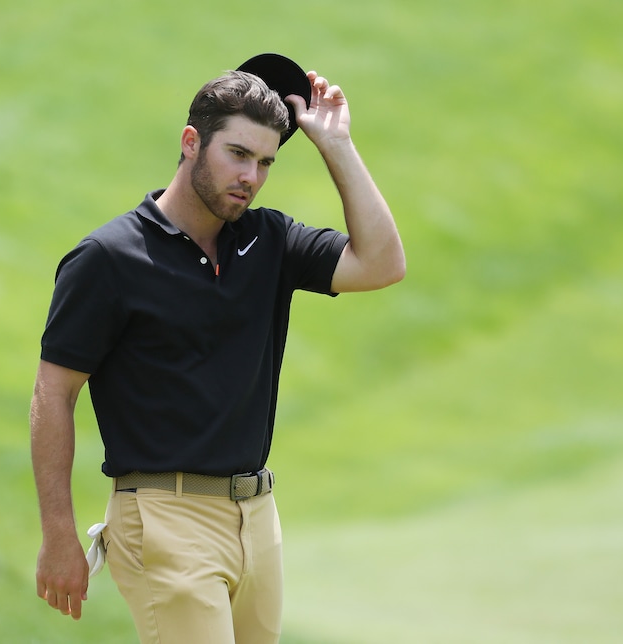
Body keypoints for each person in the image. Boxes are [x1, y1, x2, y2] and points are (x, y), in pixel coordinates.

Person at [30, 58, 405, 643]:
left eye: (265, 163)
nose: (250, 177)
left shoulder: (269, 239)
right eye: (237, 154)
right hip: (162, 518)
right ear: (191, 143)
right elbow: (54, 392)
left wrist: (336, 144)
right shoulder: (107, 259)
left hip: (257, 516)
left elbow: (382, 263)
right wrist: (59, 534)